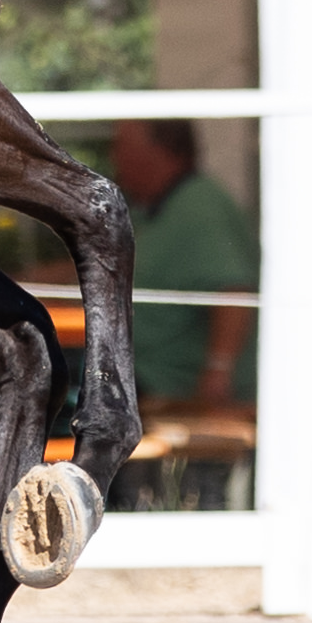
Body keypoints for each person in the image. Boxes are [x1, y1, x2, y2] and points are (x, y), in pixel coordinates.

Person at [108, 117, 257, 412]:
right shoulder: (153, 210)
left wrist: (218, 374)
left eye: (121, 146)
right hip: (139, 383)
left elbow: (234, 291)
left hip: (171, 393)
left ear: (159, 150)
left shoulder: (201, 208)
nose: (114, 157)